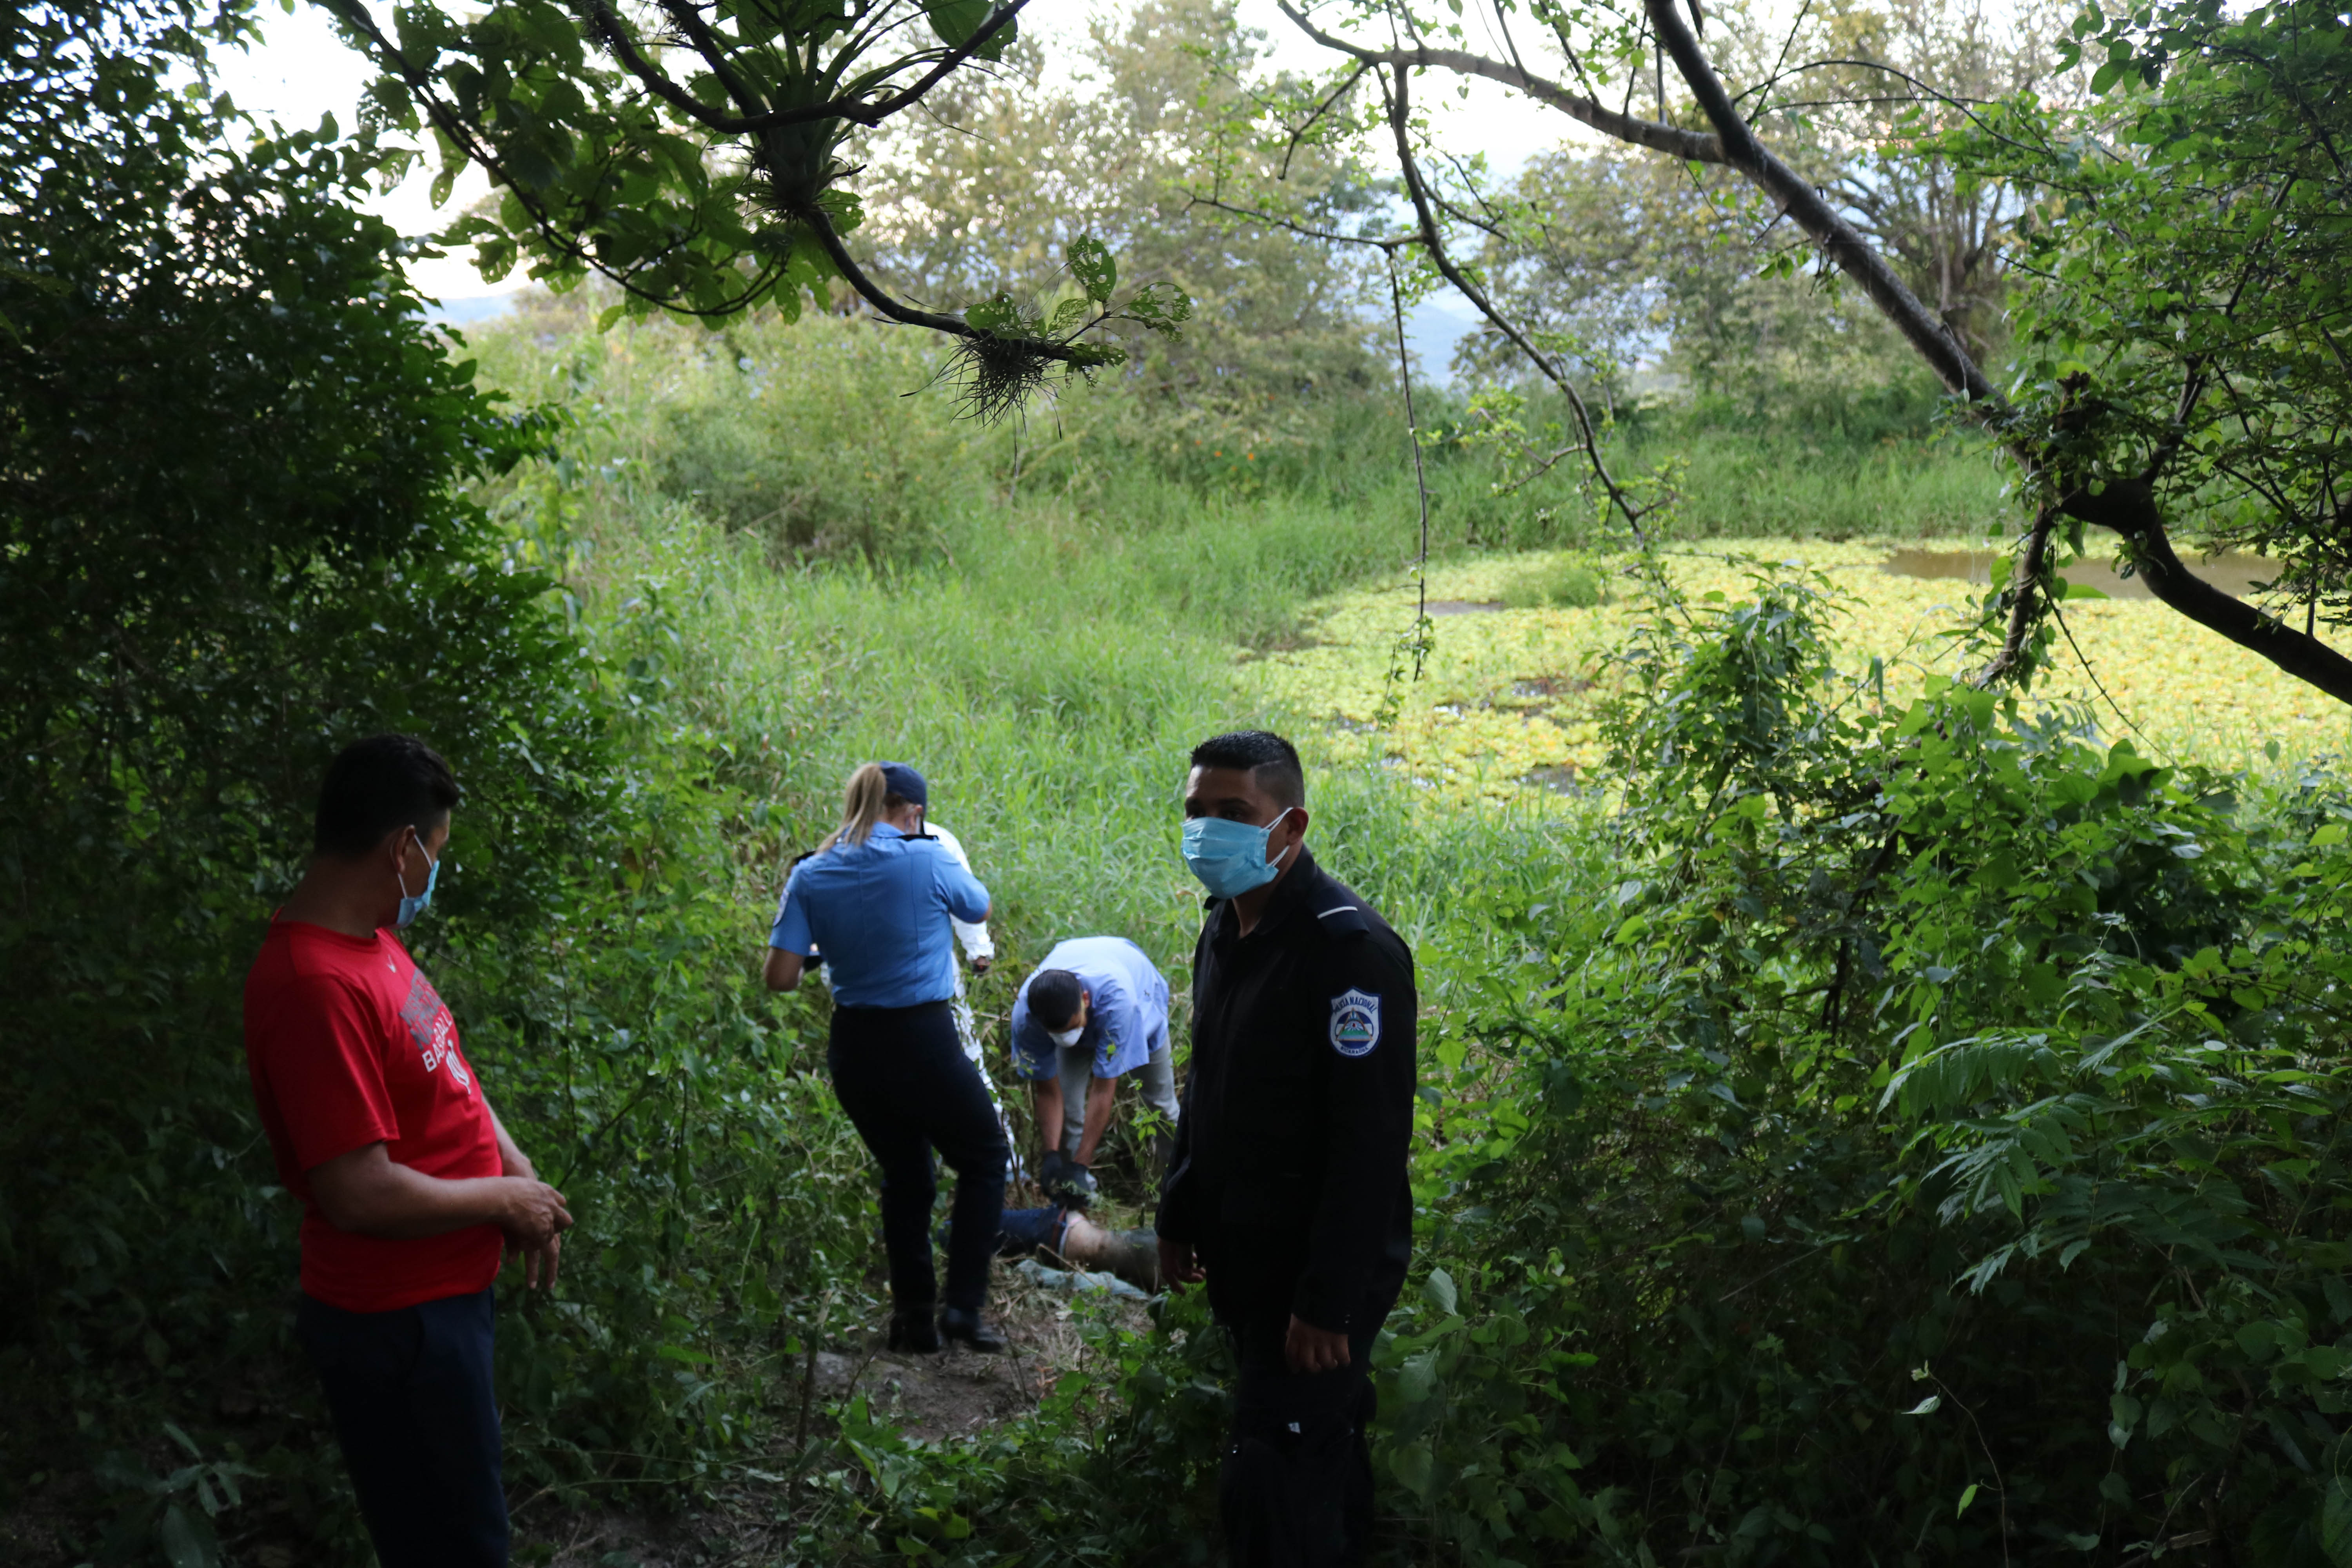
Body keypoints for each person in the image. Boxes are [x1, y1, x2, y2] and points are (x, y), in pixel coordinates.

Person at [242, 734, 573, 1568]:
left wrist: (512, 1160)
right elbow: (357, 1189)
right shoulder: (317, 984)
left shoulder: (373, 940)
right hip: (396, 1322)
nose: (434, 873)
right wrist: (503, 1202)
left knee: (467, 1524)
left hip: (442, 1301)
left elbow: (443, 1061)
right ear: (401, 848)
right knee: (453, 1545)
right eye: (436, 853)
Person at [1155, 731, 1417, 1568]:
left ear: (1290, 824)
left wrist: (1329, 1298)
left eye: (1235, 813)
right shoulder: (1225, 933)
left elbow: (1369, 1140)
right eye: (1198, 812)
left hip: (1311, 1270)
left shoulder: (1348, 954)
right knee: (1313, 1449)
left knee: (1274, 1473)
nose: (1209, 831)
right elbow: (1209, 1088)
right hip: (1243, 1246)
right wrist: (1177, 1210)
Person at [764, 761, 1011, 1353]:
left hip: (855, 1049)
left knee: (906, 1175)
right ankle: (963, 1309)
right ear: (913, 812)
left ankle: (913, 1319)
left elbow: (781, 978)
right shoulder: (926, 855)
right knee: (984, 1156)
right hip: (923, 1040)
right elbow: (977, 909)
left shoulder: (810, 873)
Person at [1008, 936, 1179, 1208]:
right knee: (1069, 1111)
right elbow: (1049, 1092)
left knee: (1162, 1109)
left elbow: (1103, 1089)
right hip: (1081, 1006)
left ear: (1085, 1000)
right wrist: (1051, 1154)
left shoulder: (1119, 1003)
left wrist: (1081, 1164)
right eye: (1057, 1033)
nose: (1067, 1037)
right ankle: (1079, 1202)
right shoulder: (1028, 1017)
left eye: (1071, 1026)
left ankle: (1175, 1194)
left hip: (1140, 1006)